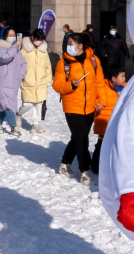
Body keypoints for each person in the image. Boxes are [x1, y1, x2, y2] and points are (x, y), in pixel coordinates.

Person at [53, 32, 104, 183]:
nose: (68, 46)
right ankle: (85, 171)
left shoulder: (94, 61)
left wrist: (101, 100)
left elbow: (100, 82)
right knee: (82, 139)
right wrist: (71, 85)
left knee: (78, 137)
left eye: (71, 44)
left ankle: (64, 164)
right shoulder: (63, 63)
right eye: (68, 43)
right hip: (72, 107)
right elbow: (56, 85)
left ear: (80, 46)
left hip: (90, 107)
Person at [91, 66, 126, 178]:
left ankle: (113, 166)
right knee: (101, 145)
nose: (124, 79)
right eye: (122, 76)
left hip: (119, 122)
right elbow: (95, 99)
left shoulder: (126, 88)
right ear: (113, 78)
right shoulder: (103, 88)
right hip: (105, 121)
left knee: (116, 146)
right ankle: (95, 165)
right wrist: (97, 106)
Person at [0, 28, 26, 136]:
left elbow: (23, 64)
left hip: (13, 83)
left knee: (6, 105)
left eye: (14, 34)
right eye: (10, 35)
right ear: (5, 37)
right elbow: (5, 57)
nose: (12, 36)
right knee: (8, 105)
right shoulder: (1, 49)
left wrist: (20, 75)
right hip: (3, 82)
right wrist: (15, 46)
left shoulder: (17, 51)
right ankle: (13, 127)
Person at [19, 29, 53, 133]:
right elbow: (19, 65)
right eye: (37, 39)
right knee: (27, 104)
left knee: (38, 104)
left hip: (41, 82)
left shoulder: (43, 50)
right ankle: (18, 114)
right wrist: (20, 79)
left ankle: (36, 125)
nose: (39, 41)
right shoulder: (25, 50)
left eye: (41, 40)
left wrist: (48, 80)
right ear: (32, 37)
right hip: (27, 82)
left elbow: (48, 66)